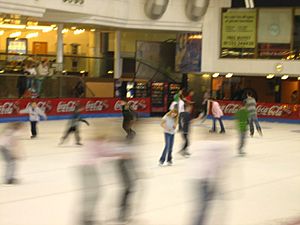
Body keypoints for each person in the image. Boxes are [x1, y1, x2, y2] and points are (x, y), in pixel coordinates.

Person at [78, 136, 133, 225]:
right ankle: (86, 218)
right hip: (88, 168)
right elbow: (105, 152)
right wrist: (122, 154)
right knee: (94, 193)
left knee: (94, 193)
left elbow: (104, 152)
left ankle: (87, 217)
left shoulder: (95, 141)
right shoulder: (97, 142)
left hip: (87, 167)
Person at [189, 134, 229, 225]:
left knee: (203, 207)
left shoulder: (200, 145)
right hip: (206, 180)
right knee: (204, 207)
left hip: (198, 178)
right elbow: (218, 166)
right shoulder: (219, 147)